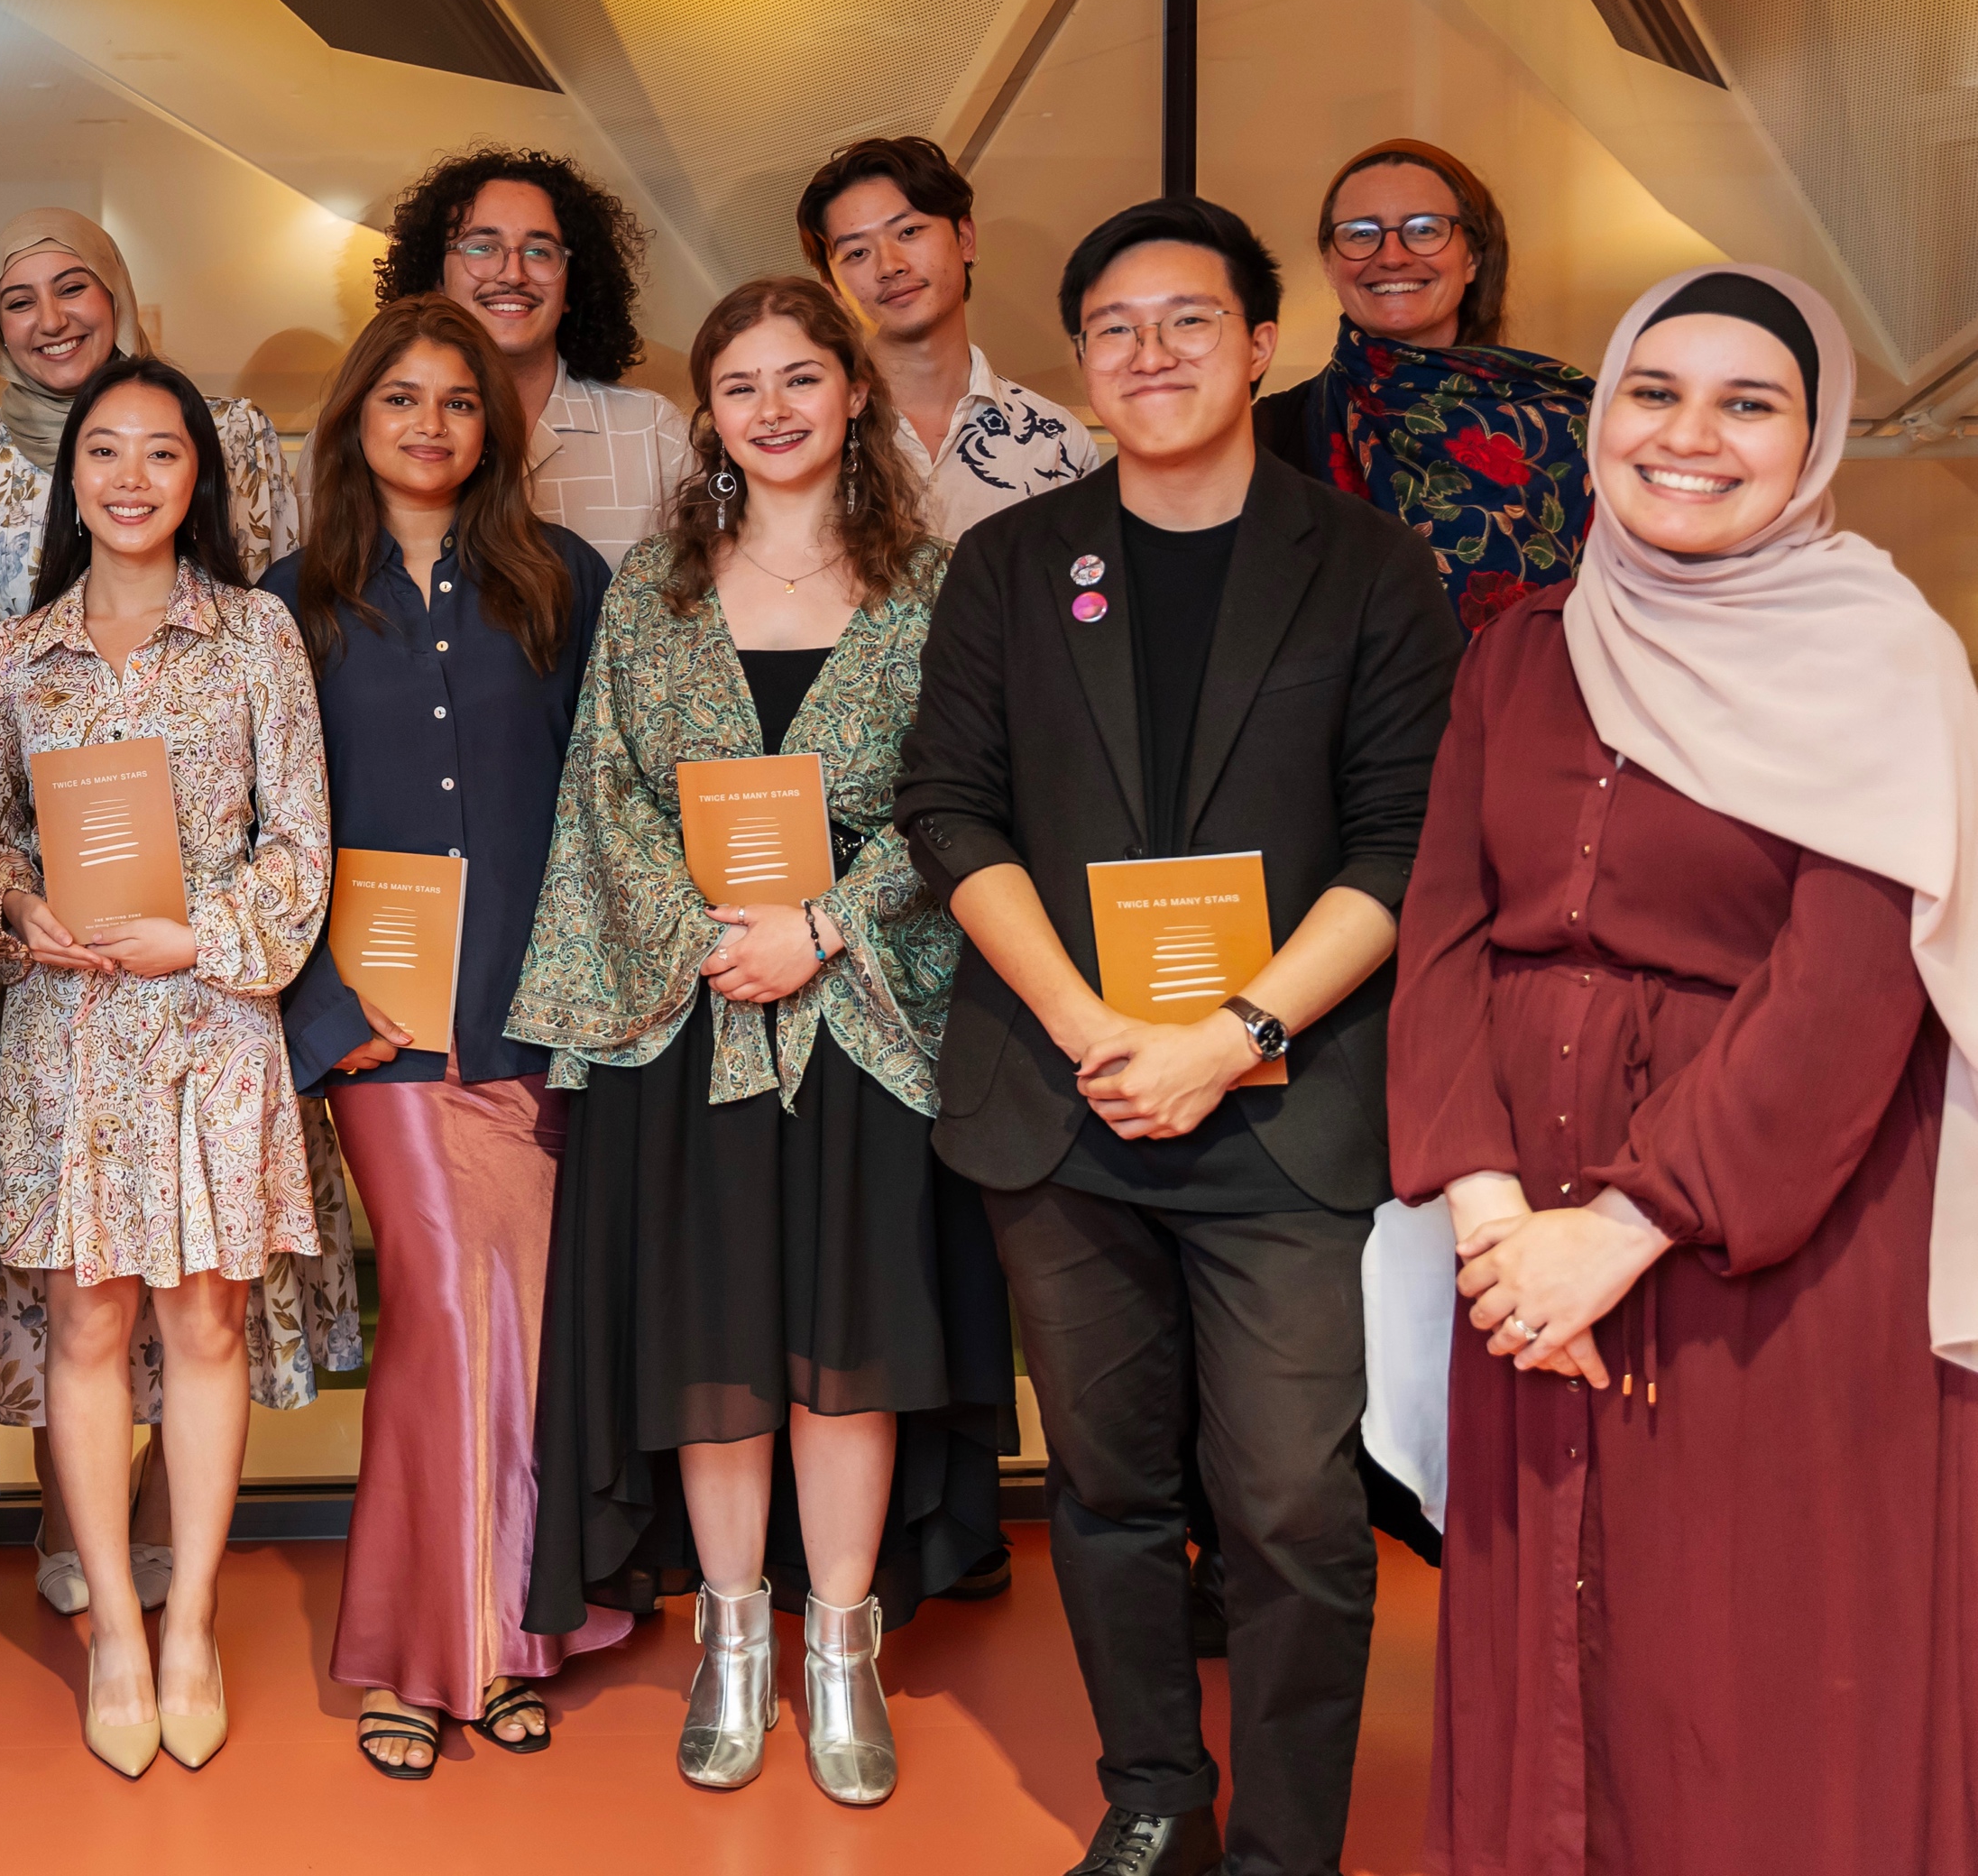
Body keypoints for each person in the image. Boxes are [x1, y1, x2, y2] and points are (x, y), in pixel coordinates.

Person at [894, 197, 1463, 1876]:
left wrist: (1227, 1029)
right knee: (1107, 1481)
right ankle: (1151, 1791)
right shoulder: (1011, 562)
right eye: (1117, 329)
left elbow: (1403, 840)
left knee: (1291, 1503)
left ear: (1260, 343)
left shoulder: (1367, 564)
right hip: (1062, 1101)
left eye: (1189, 320)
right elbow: (948, 806)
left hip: (1283, 1108)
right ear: (1082, 362)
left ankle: (1289, 1843)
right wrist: (1089, 1028)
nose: (1151, 354)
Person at [1391, 264, 1978, 1876]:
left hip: (1774, 1243)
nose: (1690, 436)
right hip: (1525, 1234)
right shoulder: (1518, 654)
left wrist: (1625, 1225)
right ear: (1599, 420)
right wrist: (1495, 1215)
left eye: (1748, 402)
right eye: (1654, 391)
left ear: (1815, 439)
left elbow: (1848, 988)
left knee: (1749, 1647)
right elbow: (1443, 927)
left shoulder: (1884, 661)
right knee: (1547, 1630)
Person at [506, 277, 1008, 1807]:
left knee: (842, 1350)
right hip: (692, 1013)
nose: (774, 407)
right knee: (715, 1345)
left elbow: (965, 790)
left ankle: (838, 1643)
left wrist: (828, 924)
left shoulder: (937, 588)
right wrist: (711, 937)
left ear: (850, 393)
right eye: (740, 386)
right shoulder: (649, 588)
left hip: (867, 1020)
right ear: (706, 415)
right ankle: (733, 1638)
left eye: (801, 376)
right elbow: (603, 794)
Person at [0, 207, 347, 1621]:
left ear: (201, 473)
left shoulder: (257, 635)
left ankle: (190, 1624)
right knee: (85, 1320)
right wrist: (13, 901)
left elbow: (298, 847)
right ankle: (109, 1619)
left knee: (206, 1320)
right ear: (69, 479)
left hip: (211, 1026)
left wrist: (204, 938)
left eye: (162, 450)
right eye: (103, 450)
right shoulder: (16, 654)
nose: (130, 474)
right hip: (64, 1026)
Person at [263, 296, 622, 1778]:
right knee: (442, 1317)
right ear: (355, 417)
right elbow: (254, 826)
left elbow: (611, 809)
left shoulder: (566, 582)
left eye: (457, 402)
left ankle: (511, 1627)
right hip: (381, 1032)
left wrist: (594, 1007)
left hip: (536, 1027)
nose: (429, 423)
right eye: (400, 398)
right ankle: (432, 1651)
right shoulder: (289, 598)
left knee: (522, 1333)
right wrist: (323, 1014)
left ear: (494, 426)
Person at [1256, 139, 1592, 633]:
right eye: (1360, 233)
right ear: (1329, 263)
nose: (1391, 256)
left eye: (1425, 230)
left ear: (1472, 257)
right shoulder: (1265, 440)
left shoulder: (1576, 424)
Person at [373, 145, 685, 566]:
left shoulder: (653, 433)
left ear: (572, 287)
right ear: (436, 279)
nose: (514, 274)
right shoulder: (359, 433)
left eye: (540, 251)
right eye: (482, 246)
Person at [797, 134, 1096, 542]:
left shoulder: (1056, 442)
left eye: (909, 231)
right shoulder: (802, 433)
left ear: (965, 239)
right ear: (832, 288)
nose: (889, 266)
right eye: (857, 253)